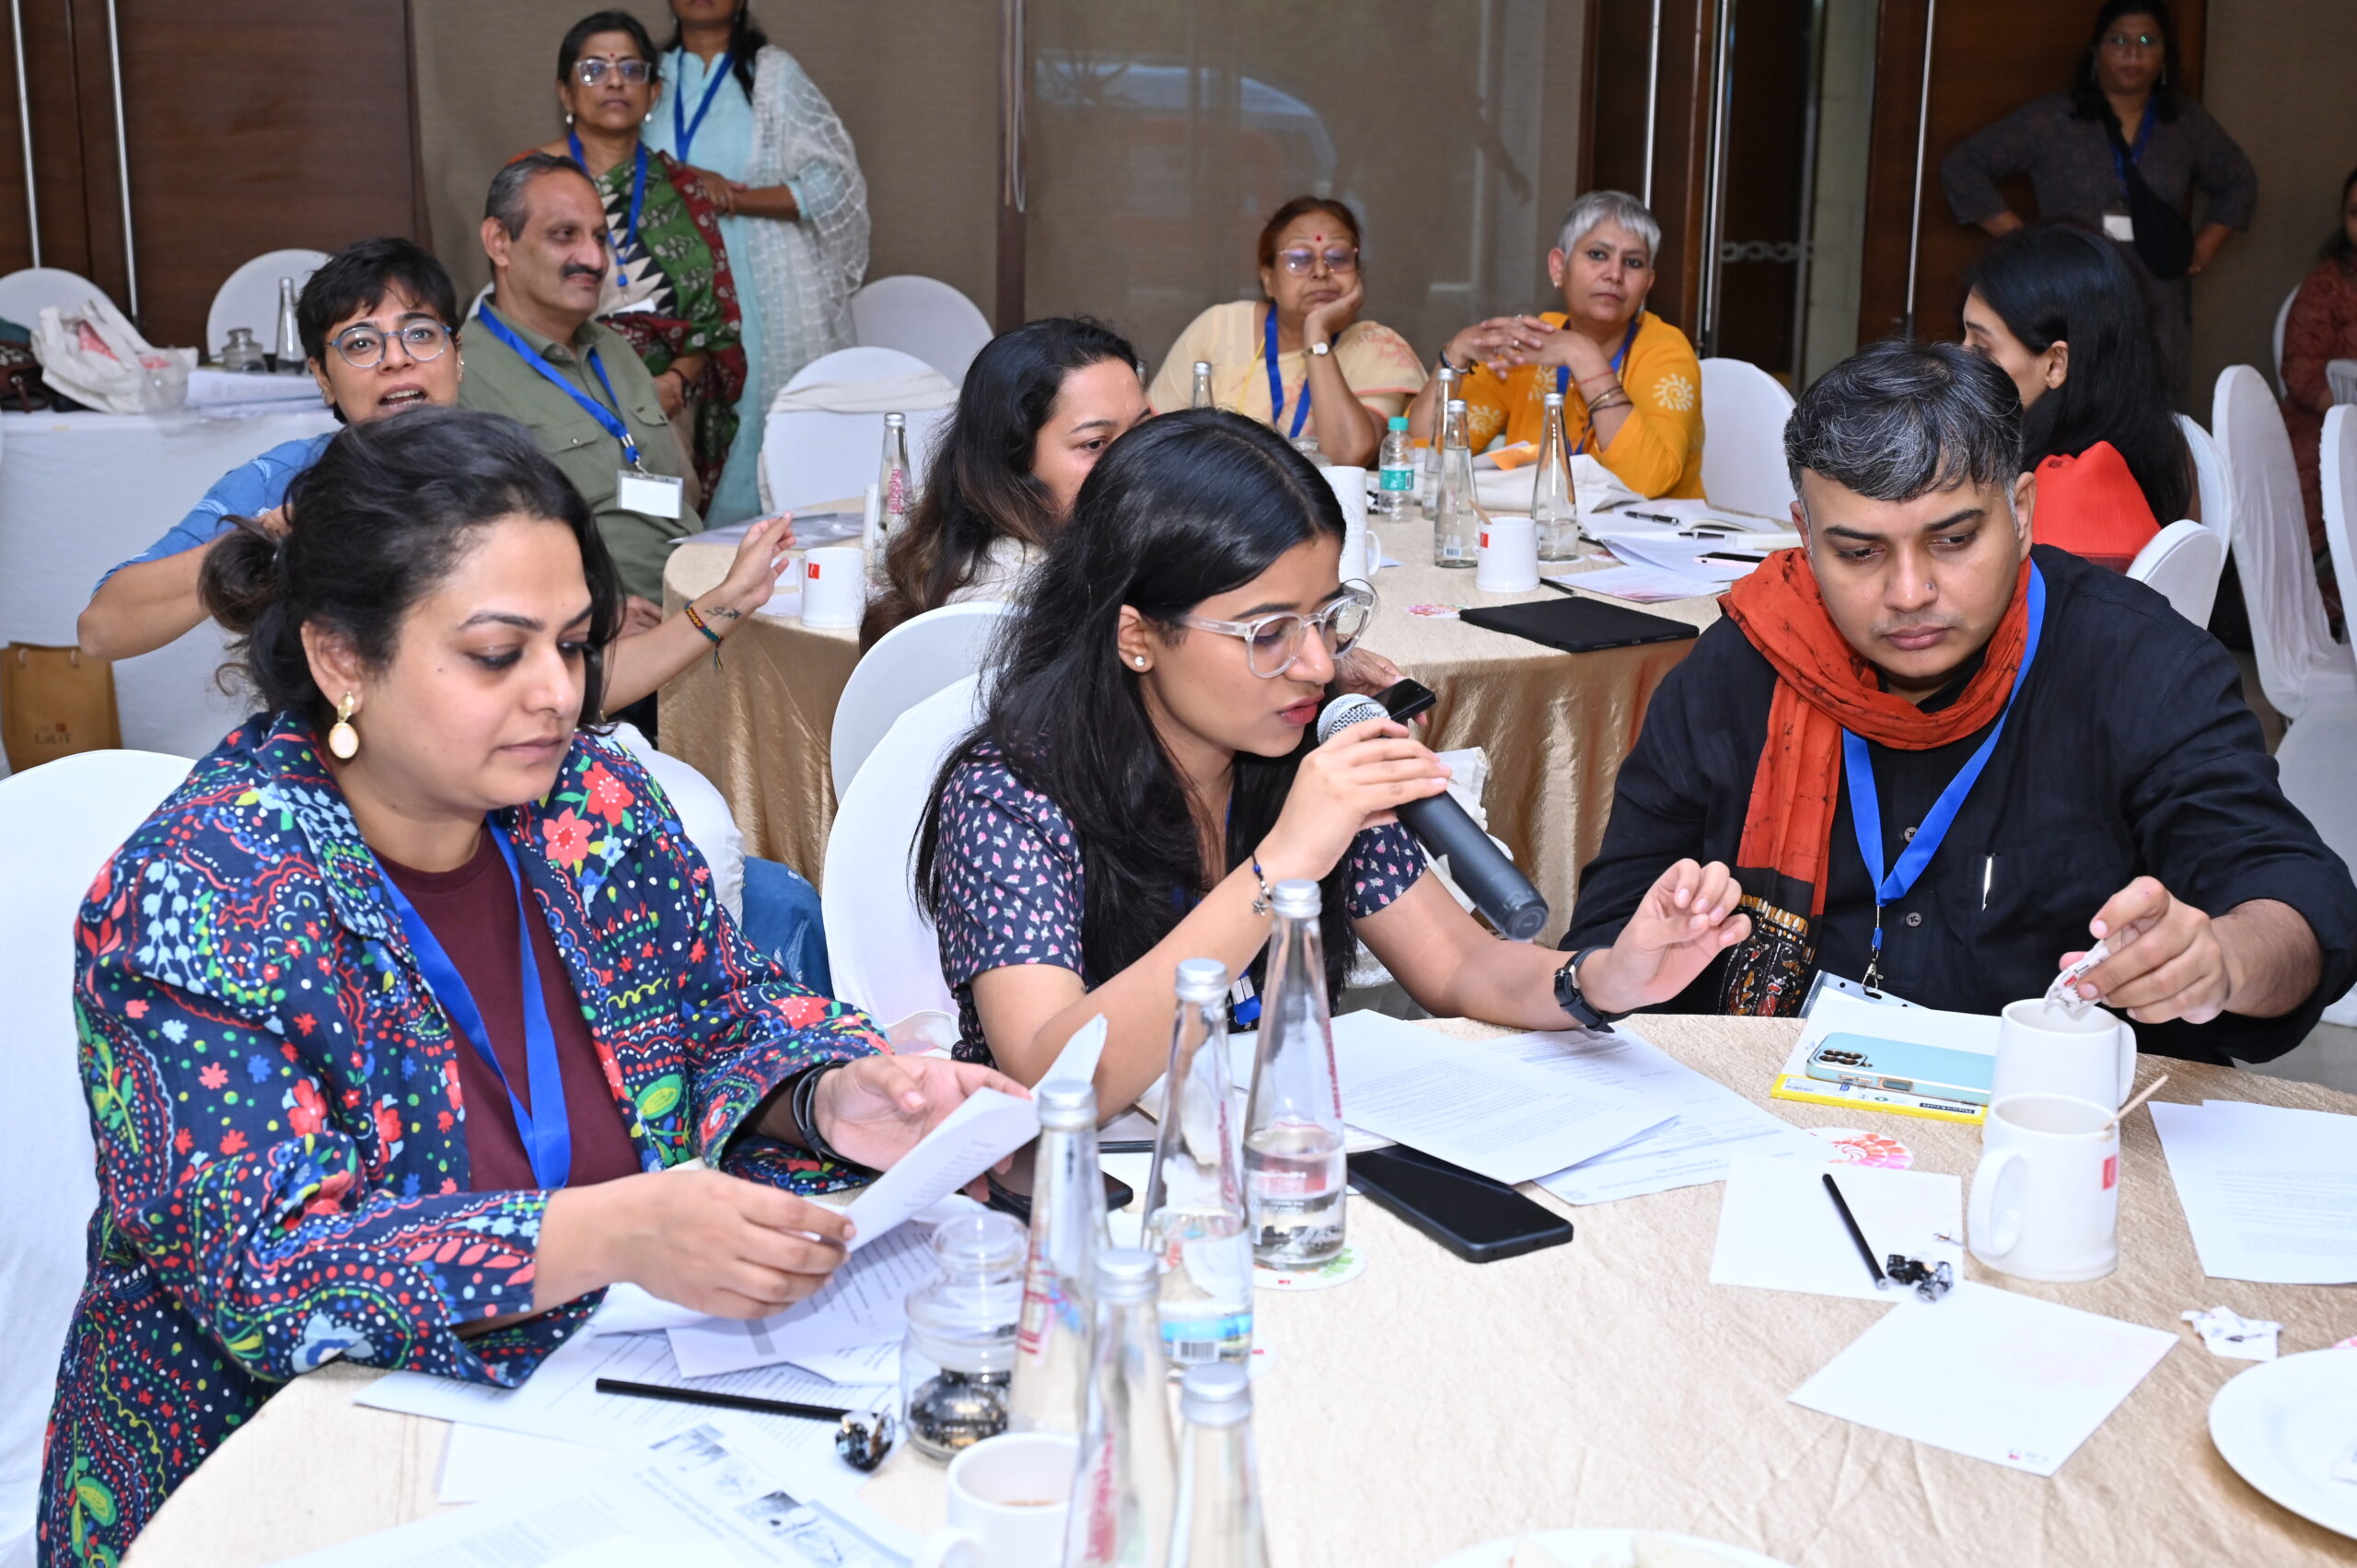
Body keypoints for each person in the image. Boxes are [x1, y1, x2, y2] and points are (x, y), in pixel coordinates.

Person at [35, 408, 1020, 1566]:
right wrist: (613, 1230)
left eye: (575, 642)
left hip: (600, 1407)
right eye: (499, 654)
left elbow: (721, 1013)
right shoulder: (204, 893)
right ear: (341, 657)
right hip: (280, 1468)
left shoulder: (587, 800)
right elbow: (268, 1271)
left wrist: (824, 1096)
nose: (558, 692)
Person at [914, 409, 1754, 1111]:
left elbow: (1459, 963)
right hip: (1077, 1195)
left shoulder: (1303, 751)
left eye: (1327, 617)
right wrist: (1284, 861)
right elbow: (1055, 1076)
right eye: (1268, 633)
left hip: (1269, 1154)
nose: (1318, 664)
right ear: (1137, 635)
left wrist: (1603, 978)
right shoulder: (1010, 796)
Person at [1559, 340, 2356, 1067]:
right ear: (1804, 534)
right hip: (1767, 1115)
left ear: (2022, 512)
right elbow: (1609, 932)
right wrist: (1628, 960)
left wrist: (2222, 960)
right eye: (1859, 552)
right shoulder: (1744, 663)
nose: (1910, 593)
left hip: (2049, 1123)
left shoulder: (2139, 665)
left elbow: (2298, 902)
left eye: (1953, 540)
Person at [75, 237, 795, 718]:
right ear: (322, 378)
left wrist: (724, 604)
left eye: (420, 334)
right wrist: (270, 536)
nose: (396, 359)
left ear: (457, 357)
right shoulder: (287, 482)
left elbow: (576, 687)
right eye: (361, 343)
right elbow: (103, 627)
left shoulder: (514, 479)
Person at [1940, 0, 2256, 399]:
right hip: (2071, 286)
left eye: (2148, 41)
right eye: (2119, 40)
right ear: (2096, 51)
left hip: (2157, 289)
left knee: (2150, 401)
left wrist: (2202, 250)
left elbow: (2239, 181)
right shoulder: (2055, 118)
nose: (2133, 53)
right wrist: (2023, 240)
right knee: (2071, 396)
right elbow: (1963, 166)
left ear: (2166, 54)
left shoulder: (2186, 124)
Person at [643, 0, 870, 526]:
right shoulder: (648, 75)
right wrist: (686, 183)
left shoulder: (772, 75)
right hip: (663, 284)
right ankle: (667, 556)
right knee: (666, 414)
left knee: (750, 424)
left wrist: (730, 197)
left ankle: (752, 555)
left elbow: (835, 185)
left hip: (756, 285)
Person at [461, 152, 703, 610]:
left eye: (599, 237)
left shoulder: (616, 351)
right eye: (564, 235)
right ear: (499, 242)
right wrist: (595, 619)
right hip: (604, 631)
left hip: (696, 600)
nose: (594, 259)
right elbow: (472, 554)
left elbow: (670, 492)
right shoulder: (462, 374)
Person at [529, 10, 746, 508]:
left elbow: (713, 322)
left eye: (631, 69)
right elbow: (516, 301)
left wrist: (674, 381)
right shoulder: (532, 183)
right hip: (561, 395)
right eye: (593, 70)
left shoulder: (684, 189)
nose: (614, 82)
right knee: (570, 524)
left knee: (658, 533)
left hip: (665, 404)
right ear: (565, 93)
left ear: (654, 92)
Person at [862, 317, 1147, 646]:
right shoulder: (1013, 597)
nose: (1137, 456)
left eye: (1143, 429)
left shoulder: (1095, 553)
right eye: (1095, 443)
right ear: (1014, 463)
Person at [1410, 190, 1703, 501]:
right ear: (1558, 267)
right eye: (1598, 255)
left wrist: (1583, 356)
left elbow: (1646, 481)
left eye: (1633, 262)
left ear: (1648, 283)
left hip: (1650, 529)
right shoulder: (1532, 344)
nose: (1615, 274)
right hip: (1547, 524)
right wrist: (1454, 355)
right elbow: (1425, 453)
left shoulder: (1666, 350)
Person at [1959, 223, 2192, 570]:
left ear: (2055, 364)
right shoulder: (2124, 445)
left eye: (1982, 346)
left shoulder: (2074, 499)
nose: (1960, 358)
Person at [1147, 197, 1423, 467]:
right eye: (1299, 259)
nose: (1320, 271)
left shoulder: (1379, 347)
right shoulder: (1219, 327)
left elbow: (1346, 456)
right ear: (1269, 279)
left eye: (1338, 258)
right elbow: (1153, 441)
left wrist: (1316, 334)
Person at [2278, 163, 2357, 622]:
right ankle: (2316, 611)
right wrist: (2347, 414)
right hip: (2326, 420)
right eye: (2355, 212)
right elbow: (2303, 373)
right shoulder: (2326, 286)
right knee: (2319, 473)